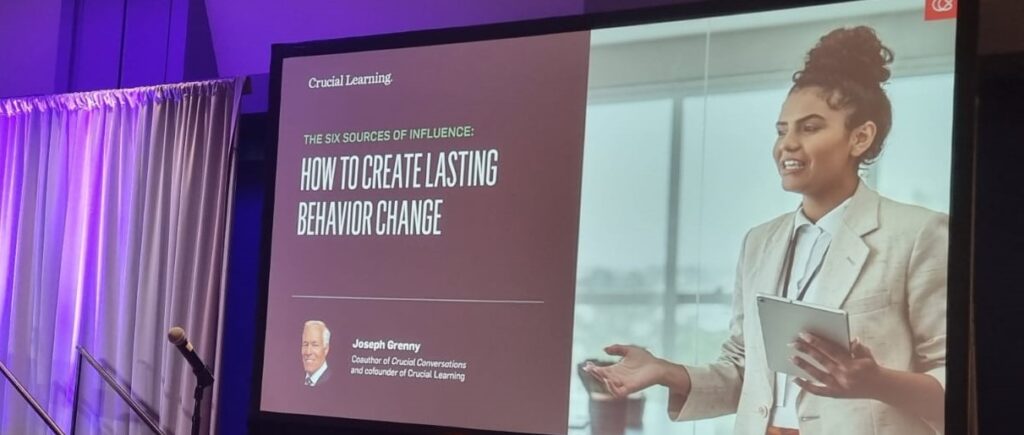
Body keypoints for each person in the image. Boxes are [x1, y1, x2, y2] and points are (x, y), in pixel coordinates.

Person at [586, 26, 946, 435]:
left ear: (860, 137)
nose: (786, 145)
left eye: (809, 128)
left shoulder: (917, 234)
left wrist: (876, 382)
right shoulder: (760, 242)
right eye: (781, 130)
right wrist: (666, 371)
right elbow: (745, 371)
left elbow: (957, 382)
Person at [301, 320, 332, 387]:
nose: (308, 352)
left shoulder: (332, 381)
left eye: (315, 345)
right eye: (305, 344)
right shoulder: (295, 379)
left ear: (326, 349)